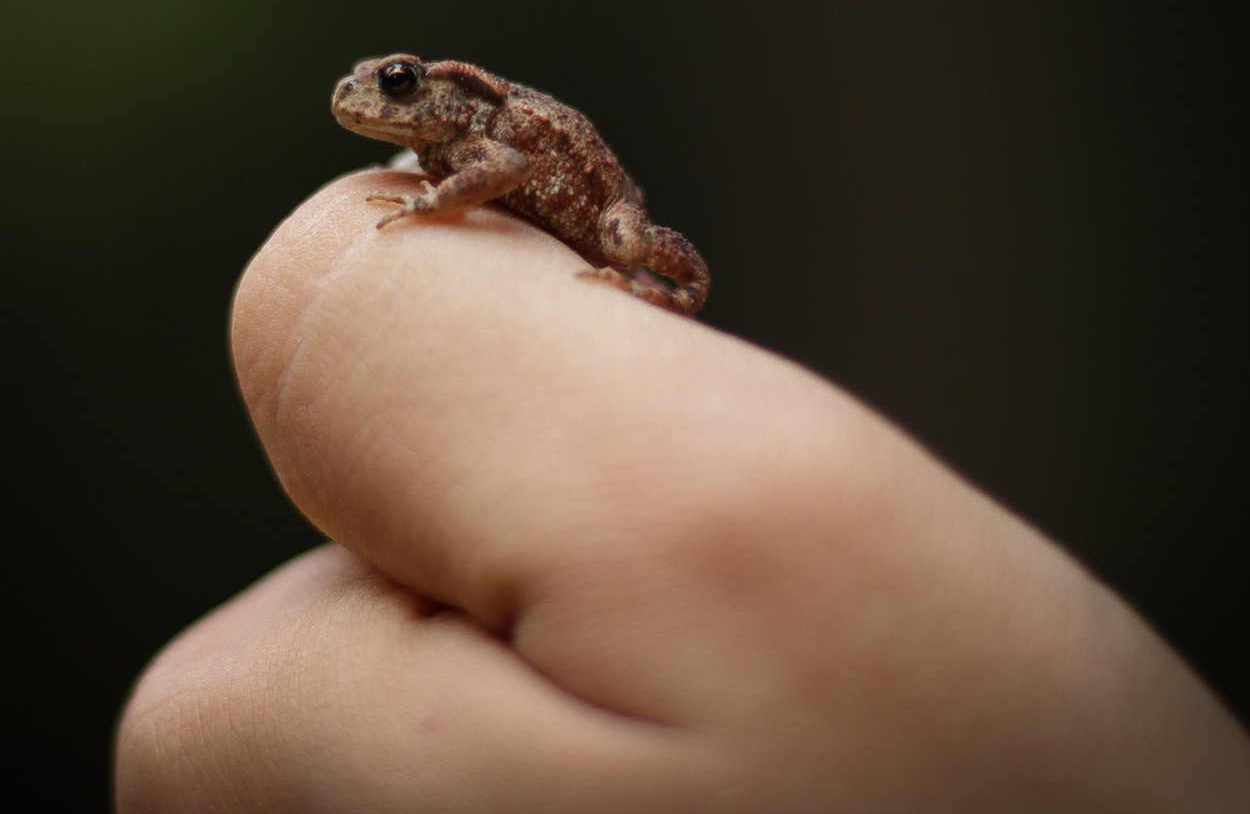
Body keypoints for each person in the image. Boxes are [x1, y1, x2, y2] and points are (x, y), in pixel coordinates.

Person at [115, 171, 1250, 811]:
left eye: (401, 84)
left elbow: (560, 192)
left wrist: (564, 254)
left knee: (626, 243)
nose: (373, 97)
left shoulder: (493, 136)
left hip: (594, 198)